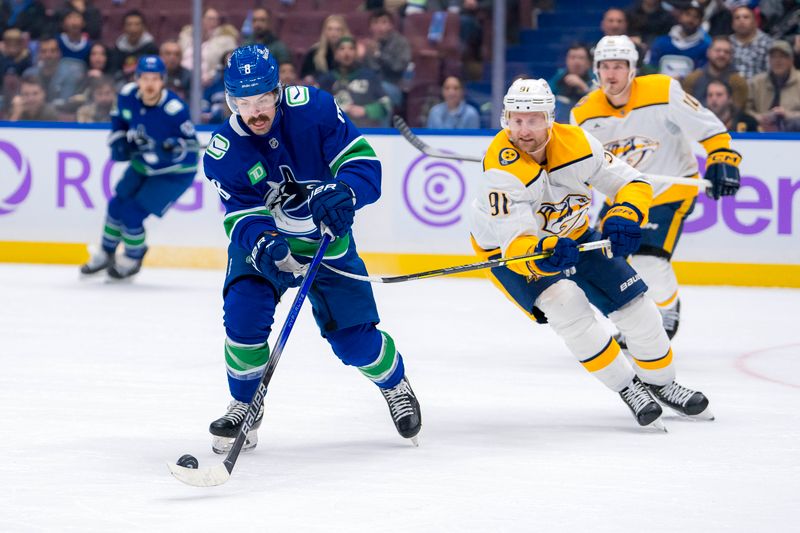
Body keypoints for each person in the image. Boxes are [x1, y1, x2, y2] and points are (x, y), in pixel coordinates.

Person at [202, 44, 421, 454]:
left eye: (263, 98)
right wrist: (265, 243)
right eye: (243, 102)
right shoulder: (224, 151)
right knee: (243, 315)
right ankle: (245, 403)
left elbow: (364, 166)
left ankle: (395, 384)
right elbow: (241, 216)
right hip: (268, 246)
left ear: (278, 90)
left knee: (355, 342)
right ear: (230, 100)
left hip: (328, 242)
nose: (255, 111)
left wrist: (345, 192)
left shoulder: (315, 110)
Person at [470, 78, 713, 429]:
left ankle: (662, 382)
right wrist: (544, 252)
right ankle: (628, 387)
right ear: (505, 119)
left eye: (533, 119)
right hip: (512, 253)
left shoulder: (579, 143)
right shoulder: (500, 171)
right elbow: (517, 244)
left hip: (574, 232)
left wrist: (626, 212)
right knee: (566, 305)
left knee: (638, 307)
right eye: (516, 120)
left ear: (551, 118)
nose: (524, 130)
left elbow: (633, 182)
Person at [570, 35, 741, 344]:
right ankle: (636, 321)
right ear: (595, 70)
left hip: (670, 189)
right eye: (605, 66)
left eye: (619, 66)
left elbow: (709, 127)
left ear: (633, 68)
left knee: (649, 259)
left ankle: (667, 306)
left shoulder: (662, 90)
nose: (612, 74)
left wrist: (722, 157)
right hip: (623, 195)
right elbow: (578, 167)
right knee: (603, 263)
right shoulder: (582, 114)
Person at [79, 56, 199, 279]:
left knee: (132, 213)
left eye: (155, 78)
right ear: (136, 79)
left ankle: (133, 257)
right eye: (145, 78)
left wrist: (176, 148)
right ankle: (106, 253)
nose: (150, 84)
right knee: (116, 204)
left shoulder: (175, 110)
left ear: (163, 80)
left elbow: (192, 150)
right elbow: (119, 119)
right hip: (143, 164)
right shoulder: (127, 95)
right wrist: (118, 139)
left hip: (174, 173)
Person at [318, 36, 392, 128]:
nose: (347, 53)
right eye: (342, 49)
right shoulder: (326, 80)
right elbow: (315, 108)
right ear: (336, 54)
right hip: (335, 132)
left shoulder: (370, 77)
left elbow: (386, 105)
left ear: (356, 54)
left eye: (351, 49)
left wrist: (366, 110)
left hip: (367, 133)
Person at [359, 9, 411, 108]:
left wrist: (378, 54)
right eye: (375, 23)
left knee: (381, 93)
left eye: (384, 22)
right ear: (370, 27)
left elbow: (397, 68)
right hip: (368, 86)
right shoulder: (366, 45)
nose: (379, 27)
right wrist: (359, 57)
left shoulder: (400, 43)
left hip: (392, 87)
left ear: (391, 25)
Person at [745, 39, 800, 131]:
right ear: (769, 60)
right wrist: (758, 117)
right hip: (762, 132)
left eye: (782, 57)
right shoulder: (756, 82)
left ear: (791, 60)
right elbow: (745, 109)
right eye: (773, 57)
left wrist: (788, 114)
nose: (777, 61)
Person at [648, 1, 711, 78]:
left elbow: (702, 76)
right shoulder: (661, 42)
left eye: (696, 17)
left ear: (701, 22)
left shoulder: (705, 48)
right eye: (688, 14)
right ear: (680, 17)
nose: (691, 19)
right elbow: (650, 69)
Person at [682, 35, 748, 109]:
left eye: (726, 52)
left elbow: (738, 112)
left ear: (731, 56)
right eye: (718, 51)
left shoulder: (738, 82)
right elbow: (685, 108)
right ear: (708, 52)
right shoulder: (692, 79)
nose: (722, 54)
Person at [109, 10, 159, 85]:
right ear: (124, 27)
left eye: (137, 24)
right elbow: (114, 72)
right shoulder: (118, 48)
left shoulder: (151, 48)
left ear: (143, 27)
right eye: (129, 24)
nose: (133, 29)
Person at [548, 44, 593, 122]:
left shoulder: (595, 79)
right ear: (566, 60)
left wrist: (583, 87)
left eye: (581, 58)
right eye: (572, 57)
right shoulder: (560, 76)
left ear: (588, 63)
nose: (576, 61)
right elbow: (547, 94)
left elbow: (599, 103)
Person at [301, 14, 351, 83]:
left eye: (338, 29)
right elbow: (304, 76)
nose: (334, 33)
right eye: (330, 29)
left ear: (344, 31)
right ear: (324, 32)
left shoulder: (351, 53)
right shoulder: (314, 52)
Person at [730, 6, 773, 79]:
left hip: (758, 88)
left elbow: (771, 74)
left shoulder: (767, 43)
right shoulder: (727, 43)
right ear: (732, 24)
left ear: (755, 22)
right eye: (737, 18)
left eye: (746, 17)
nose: (741, 21)